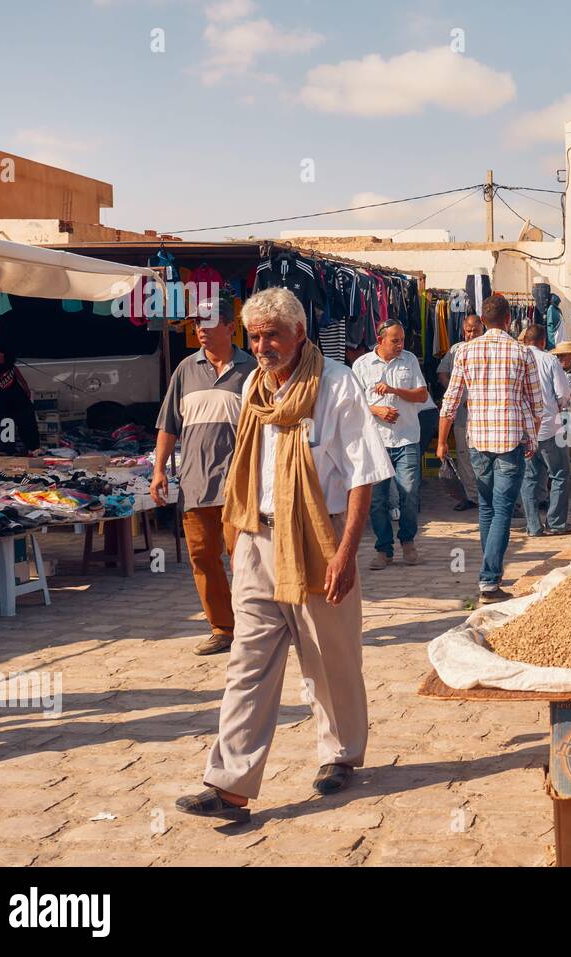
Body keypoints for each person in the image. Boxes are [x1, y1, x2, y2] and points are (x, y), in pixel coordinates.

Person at [175, 287, 392, 822]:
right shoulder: (253, 385)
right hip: (257, 536)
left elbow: (363, 474)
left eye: (273, 333)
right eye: (255, 334)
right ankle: (229, 787)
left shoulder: (336, 385)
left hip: (320, 536)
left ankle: (340, 753)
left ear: (299, 334)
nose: (263, 344)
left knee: (328, 656)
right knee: (247, 662)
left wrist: (346, 553)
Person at [151, 295, 255, 656]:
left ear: (230, 326)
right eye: (197, 324)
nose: (201, 330)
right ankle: (222, 628)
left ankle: (254, 626)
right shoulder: (185, 370)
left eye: (208, 323)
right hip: (194, 485)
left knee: (244, 560)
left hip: (239, 484)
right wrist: (158, 470)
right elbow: (168, 425)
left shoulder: (252, 370)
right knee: (202, 559)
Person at [437, 294, 542, 604]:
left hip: (478, 441)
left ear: (482, 321)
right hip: (510, 440)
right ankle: (489, 579)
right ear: (509, 320)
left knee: (487, 508)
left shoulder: (466, 352)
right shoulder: (522, 352)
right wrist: (532, 435)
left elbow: (450, 401)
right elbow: (537, 403)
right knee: (502, 511)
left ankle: (488, 574)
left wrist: (442, 441)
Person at [353, 320, 428, 568]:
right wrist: (377, 410)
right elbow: (353, 403)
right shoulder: (362, 365)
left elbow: (422, 395)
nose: (400, 345)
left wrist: (395, 391)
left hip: (406, 438)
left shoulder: (410, 361)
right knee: (376, 500)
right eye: (395, 340)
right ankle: (383, 549)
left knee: (409, 494)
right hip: (376, 442)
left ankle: (407, 541)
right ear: (380, 339)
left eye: (402, 340)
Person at [518, 325, 571, 536]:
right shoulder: (549, 360)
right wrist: (558, 406)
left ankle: (533, 526)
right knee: (560, 475)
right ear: (543, 341)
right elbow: (563, 394)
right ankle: (556, 523)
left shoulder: (516, 358)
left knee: (529, 478)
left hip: (523, 429)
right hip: (548, 428)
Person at [436, 314, 482, 511]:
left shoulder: (488, 350)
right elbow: (442, 373)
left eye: (475, 330)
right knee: (464, 457)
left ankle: (490, 498)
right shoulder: (456, 350)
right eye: (468, 330)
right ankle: (472, 497)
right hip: (462, 416)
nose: (471, 334)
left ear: (483, 329)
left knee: (485, 459)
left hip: (484, 418)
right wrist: (455, 391)